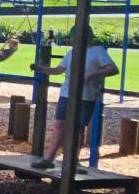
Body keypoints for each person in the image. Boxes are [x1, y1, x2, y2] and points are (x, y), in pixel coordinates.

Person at [34, 25, 117, 173]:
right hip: (66, 93)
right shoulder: (72, 52)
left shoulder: (98, 51)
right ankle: (49, 158)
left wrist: (90, 75)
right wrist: (40, 68)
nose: (72, 40)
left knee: (77, 128)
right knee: (59, 124)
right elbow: (58, 70)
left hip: (86, 96)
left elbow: (113, 69)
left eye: (73, 37)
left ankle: (73, 161)